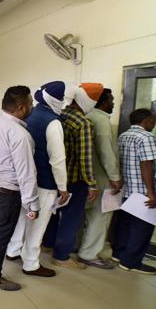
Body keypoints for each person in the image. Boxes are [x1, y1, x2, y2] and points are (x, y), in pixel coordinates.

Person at [0, 85, 39, 291]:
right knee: (0, 234)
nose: (32, 107)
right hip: (6, 193)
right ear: (20, 107)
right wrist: (32, 205)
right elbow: (26, 173)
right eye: (30, 103)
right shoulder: (20, 135)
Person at [5, 81, 69, 278]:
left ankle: (13, 250)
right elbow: (58, 159)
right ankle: (31, 263)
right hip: (45, 182)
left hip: (25, 179)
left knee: (23, 218)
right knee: (38, 224)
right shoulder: (53, 122)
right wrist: (63, 188)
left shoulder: (30, 114)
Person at [43, 83, 102, 270]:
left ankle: (48, 244)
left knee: (54, 213)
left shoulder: (60, 115)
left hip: (57, 177)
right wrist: (92, 184)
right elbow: (84, 157)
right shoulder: (83, 123)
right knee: (71, 218)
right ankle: (61, 256)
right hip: (75, 180)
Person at [77, 88, 121, 269]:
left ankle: (81, 247)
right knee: (100, 217)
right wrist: (115, 176)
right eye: (111, 100)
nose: (113, 103)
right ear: (102, 102)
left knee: (85, 216)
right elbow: (106, 153)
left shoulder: (87, 116)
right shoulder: (101, 120)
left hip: (87, 177)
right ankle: (89, 254)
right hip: (102, 178)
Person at [114, 109, 156, 274]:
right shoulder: (146, 137)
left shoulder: (123, 136)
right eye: (153, 121)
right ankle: (131, 262)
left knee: (125, 225)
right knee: (142, 228)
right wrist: (151, 192)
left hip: (127, 189)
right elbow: (145, 164)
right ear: (146, 120)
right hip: (142, 191)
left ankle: (119, 254)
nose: (154, 124)